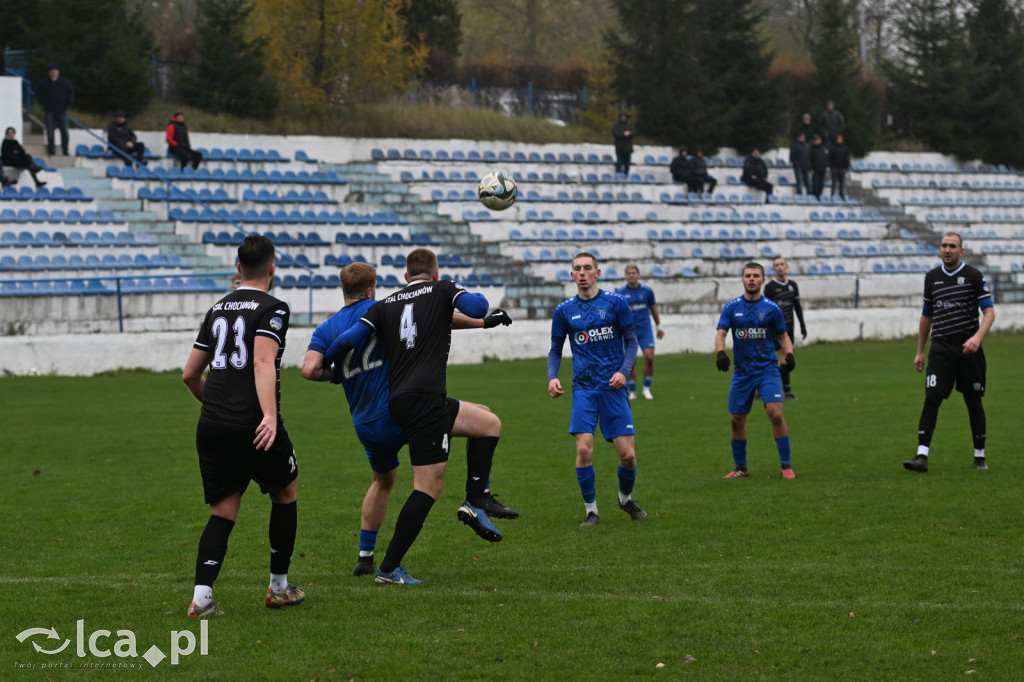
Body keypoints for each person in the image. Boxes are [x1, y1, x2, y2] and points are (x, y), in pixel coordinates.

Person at [302, 262, 518, 577]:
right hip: (400, 411)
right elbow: (431, 319)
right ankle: (476, 498)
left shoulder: (325, 329)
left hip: (365, 423)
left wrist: (334, 374)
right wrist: (482, 322)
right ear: (370, 288)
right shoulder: (382, 308)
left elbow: (310, 370)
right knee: (485, 424)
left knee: (382, 481)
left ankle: (365, 556)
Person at [180, 234, 305, 618]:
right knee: (285, 494)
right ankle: (279, 589)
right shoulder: (274, 308)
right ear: (272, 268)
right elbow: (262, 362)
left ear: (238, 268)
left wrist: (216, 406)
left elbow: (189, 374)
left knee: (223, 511)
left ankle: (201, 599)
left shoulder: (217, 309)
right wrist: (268, 415)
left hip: (212, 425)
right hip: (253, 425)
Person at [548, 252, 647, 527]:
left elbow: (631, 340)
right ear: (571, 275)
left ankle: (625, 499)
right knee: (583, 451)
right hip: (584, 389)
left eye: (587, 268)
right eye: (577, 268)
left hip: (613, 388)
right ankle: (591, 511)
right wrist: (552, 377)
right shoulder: (564, 311)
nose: (582, 273)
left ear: (597, 273)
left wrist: (623, 372)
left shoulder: (616, 303)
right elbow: (555, 350)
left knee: (627, 456)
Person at [904, 232, 995, 473]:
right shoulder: (932, 277)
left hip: (968, 352)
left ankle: (979, 456)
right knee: (932, 398)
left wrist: (977, 337)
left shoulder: (974, 276)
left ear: (961, 251)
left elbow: (989, 312)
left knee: (973, 401)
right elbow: (927, 315)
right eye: (944, 245)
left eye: (952, 246)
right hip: (941, 351)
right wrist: (920, 351)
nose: (947, 250)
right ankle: (921, 456)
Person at [715, 262, 796, 479]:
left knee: (776, 414)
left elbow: (784, 336)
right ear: (742, 279)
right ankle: (741, 467)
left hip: (767, 370)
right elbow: (721, 332)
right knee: (736, 421)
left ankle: (786, 465)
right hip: (742, 372)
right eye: (748, 275)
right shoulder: (731, 307)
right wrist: (720, 352)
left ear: (762, 280)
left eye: (756, 276)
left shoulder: (771, 308)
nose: (751, 279)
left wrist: (789, 355)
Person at [616, 264, 664, 400]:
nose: (631, 275)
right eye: (629, 273)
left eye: (634, 272)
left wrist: (659, 327)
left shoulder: (647, 291)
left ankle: (646, 389)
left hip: (645, 330)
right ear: (626, 276)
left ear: (638, 275)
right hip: (628, 332)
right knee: (630, 362)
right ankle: (633, 391)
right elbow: (617, 314)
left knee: (649, 357)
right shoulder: (620, 293)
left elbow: (653, 309)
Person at [763, 256, 806, 400]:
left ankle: (761, 386)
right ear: (773, 269)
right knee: (783, 357)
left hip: (790, 328)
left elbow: (797, 307)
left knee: (783, 359)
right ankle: (786, 392)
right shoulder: (769, 288)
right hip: (775, 330)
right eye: (776, 265)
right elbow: (764, 310)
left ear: (786, 266)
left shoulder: (793, 285)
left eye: (782, 264)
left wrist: (802, 326)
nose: (780, 267)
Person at [35, 64, 74, 156]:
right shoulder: (43, 83)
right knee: (50, 131)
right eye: (52, 71)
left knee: (64, 131)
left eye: (55, 71)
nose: (54, 72)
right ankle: (51, 150)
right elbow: (38, 95)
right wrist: (45, 104)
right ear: (49, 73)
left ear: (58, 72)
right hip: (49, 110)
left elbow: (71, 94)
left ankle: (65, 150)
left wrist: (67, 104)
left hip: (62, 110)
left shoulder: (65, 82)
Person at [611, 112, 636, 178]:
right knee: (619, 164)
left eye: (624, 117)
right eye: (622, 117)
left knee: (627, 165)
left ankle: (626, 177)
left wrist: (629, 133)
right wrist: (623, 134)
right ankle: (619, 177)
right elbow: (615, 134)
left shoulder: (630, 125)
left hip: (628, 149)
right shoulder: (616, 126)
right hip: (619, 149)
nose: (623, 118)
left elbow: (634, 132)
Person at [829, 134, 851, 200]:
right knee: (834, 183)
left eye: (841, 139)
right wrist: (831, 166)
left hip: (842, 169)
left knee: (842, 183)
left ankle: (841, 195)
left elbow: (847, 158)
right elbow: (829, 158)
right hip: (834, 169)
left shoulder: (845, 148)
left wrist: (846, 167)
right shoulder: (832, 148)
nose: (840, 140)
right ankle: (832, 195)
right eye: (838, 139)